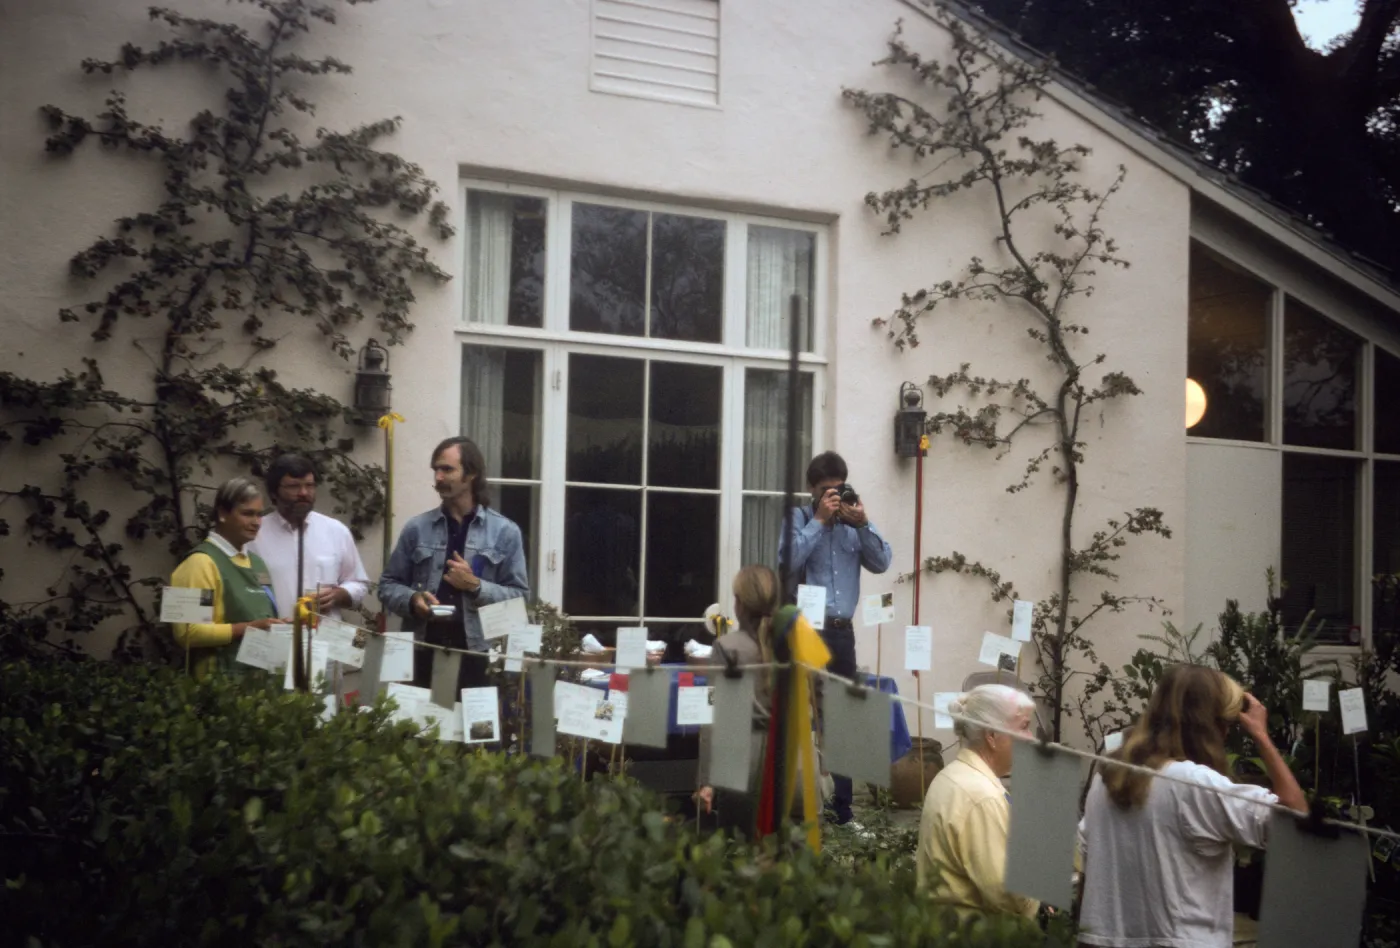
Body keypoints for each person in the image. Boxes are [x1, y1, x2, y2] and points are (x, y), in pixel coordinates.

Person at [1077, 665, 1306, 948]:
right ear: (1213, 726)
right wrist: (1261, 735)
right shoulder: (1193, 784)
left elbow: (1085, 858)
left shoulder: (1108, 777)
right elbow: (1296, 821)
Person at [779, 450, 892, 824]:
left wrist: (862, 523)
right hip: (804, 630)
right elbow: (785, 564)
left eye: (839, 489)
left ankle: (841, 810)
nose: (833, 497)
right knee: (796, 714)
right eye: (826, 490)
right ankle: (789, 803)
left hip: (841, 633)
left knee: (841, 720)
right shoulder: (798, 517)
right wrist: (818, 522)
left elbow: (882, 562)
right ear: (812, 489)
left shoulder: (852, 523)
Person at [378, 436, 529, 691]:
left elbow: (520, 599)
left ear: (471, 474)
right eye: (436, 470)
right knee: (420, 729)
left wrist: (476, 585)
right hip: (422, 649)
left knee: (473, 731)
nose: (438, 477)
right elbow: (387, 586)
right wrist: (413, 600)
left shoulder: (504, 531)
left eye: (447, 469)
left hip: (478, 654)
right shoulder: (417, 528)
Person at [916, 684, 1040, 919]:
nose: (1031, 738)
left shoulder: (953, 775)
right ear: (992, 736)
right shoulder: (981, 796)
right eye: (1024, 727)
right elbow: (1009, 894)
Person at [169, 477, 284, 678]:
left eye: (259, 515)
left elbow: (264, 613)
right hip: (220, 688)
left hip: (260, 687)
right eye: (247, 514)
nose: (256, 523)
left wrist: (279, 625)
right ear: (222, 514)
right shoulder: (198, 563)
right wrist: (249, 628)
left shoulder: (257, 563)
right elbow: (187, 633)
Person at [695, 564, 779, 834]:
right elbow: (820, 692)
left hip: (739, 756)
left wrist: (706, 779)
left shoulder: (727, 647)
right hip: (787, 753)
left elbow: (715, 714)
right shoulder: (793, 644)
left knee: (736, 848)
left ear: (740, 604)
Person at [248, 453, 369, 624]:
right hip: (275, 639)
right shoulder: (254, 535)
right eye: (293, 486)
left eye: (310, 486)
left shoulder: (335, 531)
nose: (304, 493)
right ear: (273, 493)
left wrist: (338, 595)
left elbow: (358, 583)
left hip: (324, 641)